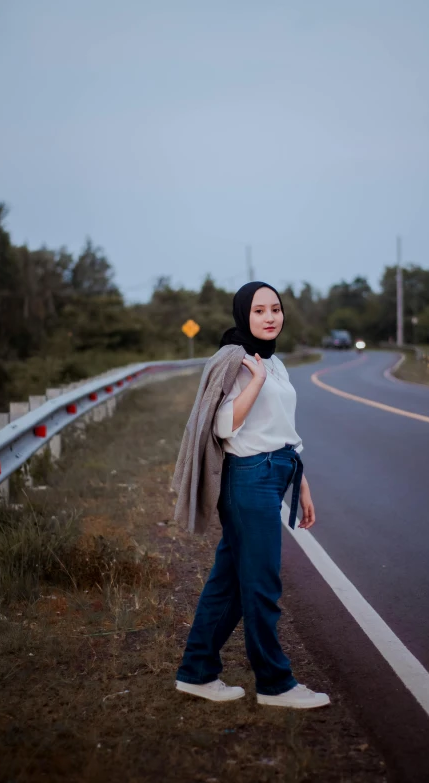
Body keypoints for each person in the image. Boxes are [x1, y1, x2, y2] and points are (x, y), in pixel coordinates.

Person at [172, 281, 330, 709]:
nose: (269, 317)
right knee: (261, 583)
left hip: (277, 472)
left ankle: (197, 672)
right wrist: (254, 381)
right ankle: (275, 684)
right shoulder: (235, 361)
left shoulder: (275, 363)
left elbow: (284, 431)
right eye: (259, 310)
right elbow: (222, 426)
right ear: (244, 315)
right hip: (247, 478)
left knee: (231, 583)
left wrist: (303, 484)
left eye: (275, 309)